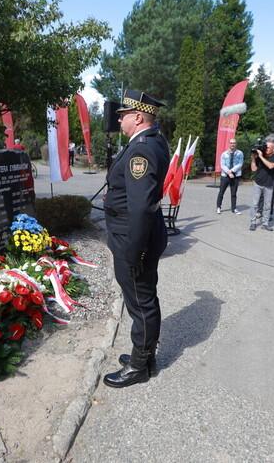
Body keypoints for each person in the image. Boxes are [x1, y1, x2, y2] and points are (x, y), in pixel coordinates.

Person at [102, 89, 169, 388]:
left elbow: (140, 207)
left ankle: (140, 367)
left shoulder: (140, 149)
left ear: (138, 117)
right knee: (143, 298)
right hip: (138, 233)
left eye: (123, 115)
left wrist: (133, 251)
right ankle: (145, 356)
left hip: (133, 237)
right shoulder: (152, 140)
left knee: (140, 302)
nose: (119, 119)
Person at [249, 140, 274, 231]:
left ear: (273, 149)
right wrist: (254, 158)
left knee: (267, 205)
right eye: (265, 147)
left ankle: (265, 223)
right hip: (258, 183)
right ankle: (253, 222)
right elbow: (254, 169)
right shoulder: (259, 157)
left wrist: (261, 156)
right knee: (254, 204)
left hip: (269, 184)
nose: (266, 149)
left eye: (268, 147)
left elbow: (270, 166)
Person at [256, 133, 274, 221]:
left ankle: (269, 213)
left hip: (273, 175)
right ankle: (260, 211)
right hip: (263, 174)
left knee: (270, 194)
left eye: (272, 142)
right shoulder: (265, 149)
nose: (269, 143)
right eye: (268, 141)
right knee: (261, 194)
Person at [216, 138, 243, 214]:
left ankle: (234, 208)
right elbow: (222, 164)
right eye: (231, 143)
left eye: (234, 143)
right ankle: (218, 207)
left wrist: (232, 171)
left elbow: (240, 164)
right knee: (221, 192)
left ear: (236, 144)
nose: (232, 144)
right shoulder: (224, 154)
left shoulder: (240, 153)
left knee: (234, 193)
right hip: (225, 175)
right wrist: (228, 172)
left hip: (235, 175)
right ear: (229, 144)